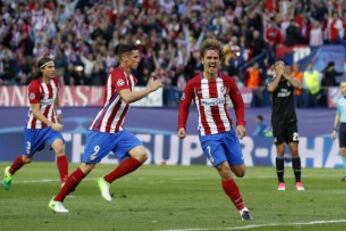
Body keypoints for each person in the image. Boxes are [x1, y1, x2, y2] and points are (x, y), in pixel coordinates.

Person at [48, 44, 162, 213]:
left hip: (117, 130)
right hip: (103, 129)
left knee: (141, 155)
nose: (139, 60)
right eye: (135, 57)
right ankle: (57, 200)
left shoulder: (132, 79)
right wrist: (150, 89)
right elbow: (127, 98)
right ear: (124, 58)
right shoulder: (117, 74)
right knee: (87, 167)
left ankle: (106, 180)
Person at [177, 39, 252, 221]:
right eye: (209, 57)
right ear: (202, 59)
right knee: (224, 169)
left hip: (228, 132)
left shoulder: (227, 82)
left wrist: (241, 123)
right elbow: (184, 106)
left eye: (216, 58)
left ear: (220, 61)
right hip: (208, 135)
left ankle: (235, 195)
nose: (212, 61)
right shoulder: (193, 84)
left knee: (240, 172)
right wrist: (181, 126)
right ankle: (242, 209)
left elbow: (239, 104)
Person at [2, 57, 68, 191]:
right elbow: (36, 111)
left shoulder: (55, 82)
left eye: (53, 66)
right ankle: (9, 171)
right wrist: (51, 124)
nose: (53, 69)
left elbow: (55, 97)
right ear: (42, 69)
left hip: (49, 127)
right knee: (27, 159)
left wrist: (59, 112)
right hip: (34, 128)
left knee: (59, 147)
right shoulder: (34, 86)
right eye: (49, 67)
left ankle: (65, 184)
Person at [266, 60, 305, 191]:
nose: (282, 68)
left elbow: (299, 86)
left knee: (294, 150)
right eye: (279, 66)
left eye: (283, 66)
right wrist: (278, 76)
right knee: (280, 151)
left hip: (291, 121)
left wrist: (287, 75)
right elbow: (271, 89)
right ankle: (281, 182)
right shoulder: (271, 81)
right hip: (277, 122)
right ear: (275, 69)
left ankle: (298, 182)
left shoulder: (290, 80)